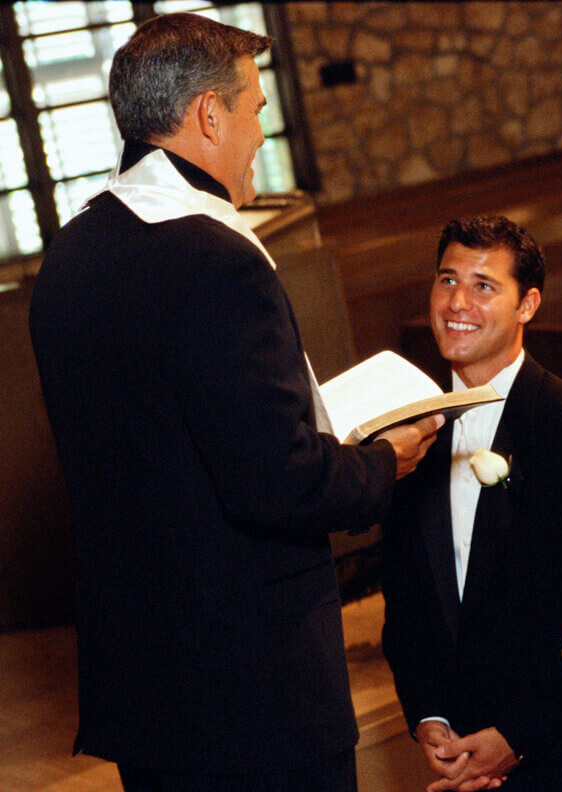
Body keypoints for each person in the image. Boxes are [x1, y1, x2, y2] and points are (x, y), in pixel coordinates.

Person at [27, 13, 441, 792]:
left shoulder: (74, 252)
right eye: (253, 109)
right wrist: (385, 461)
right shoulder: (214, 259)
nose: (258, 133)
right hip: (252, 686)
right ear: (208, 115)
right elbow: (276, 480)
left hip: (148, 687)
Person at [380, 216, 562, 792]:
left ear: (528, 304)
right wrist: (429, 719)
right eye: (446, 280)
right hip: (455, 759)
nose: (457, 302)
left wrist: (517, 736)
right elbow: (407, 600)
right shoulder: (404, 435)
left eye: (484, 286)